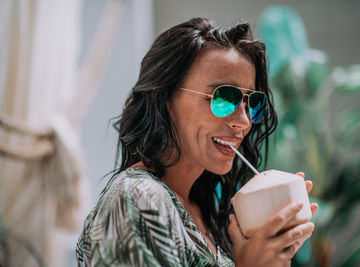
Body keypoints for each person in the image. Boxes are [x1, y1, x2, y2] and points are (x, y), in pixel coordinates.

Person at [76, 17, 318, 267]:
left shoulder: (206, 211)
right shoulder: (138, 197)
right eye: (223, 97)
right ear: (165, 99)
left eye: (252, 102)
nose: (244, 121)